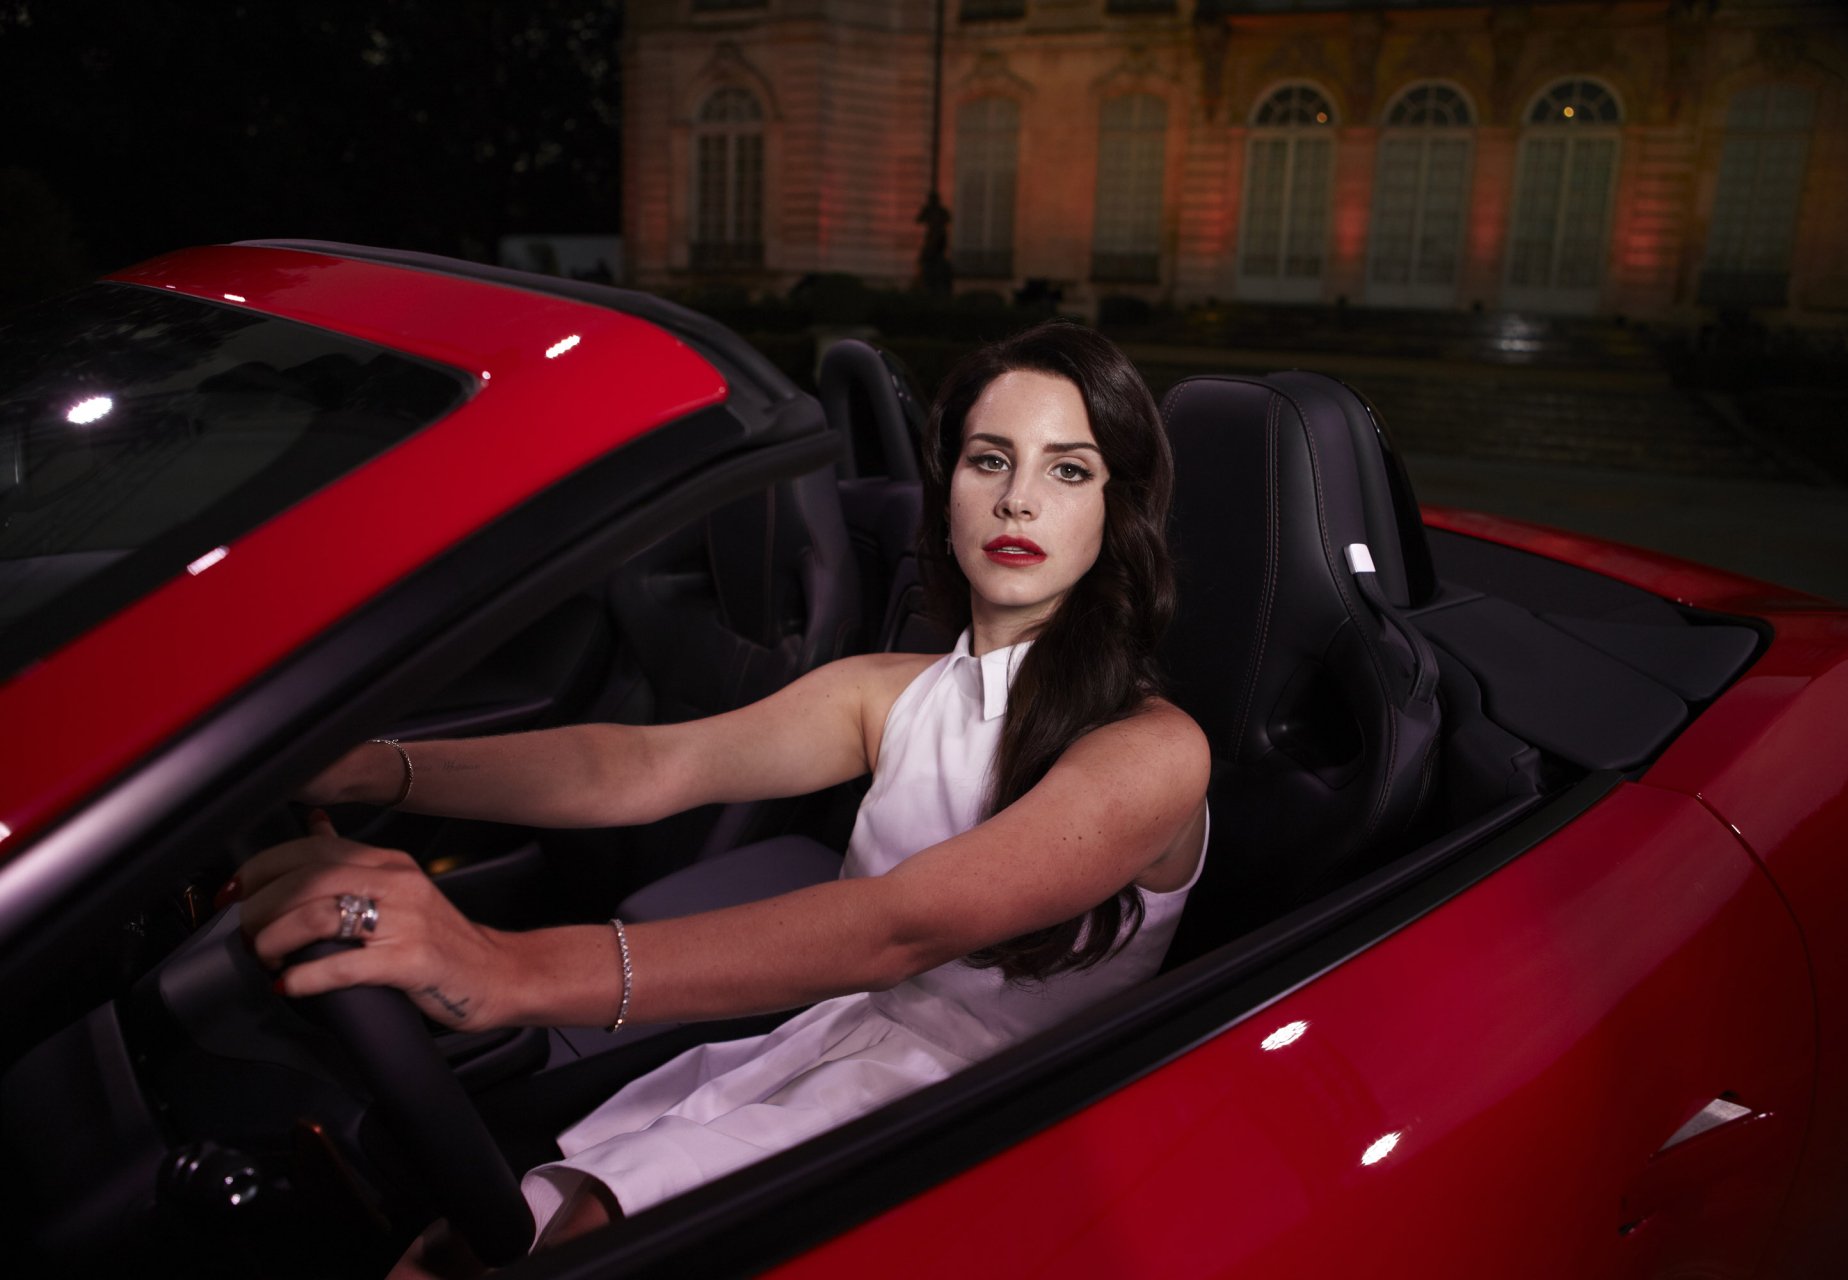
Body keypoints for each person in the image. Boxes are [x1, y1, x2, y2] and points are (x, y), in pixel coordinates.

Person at [228, 320, 1211, 1272]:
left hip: (977, 1123)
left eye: (1068, 469)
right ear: (948, 491)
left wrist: (506, 966)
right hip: (824, 1043)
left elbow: (901, 926)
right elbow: (642, 767)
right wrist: (379, 768)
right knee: (463, 1239)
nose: (1018, 500)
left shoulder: (1155, 751)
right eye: (989, 459)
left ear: (1115, 514)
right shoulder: (891, 690)